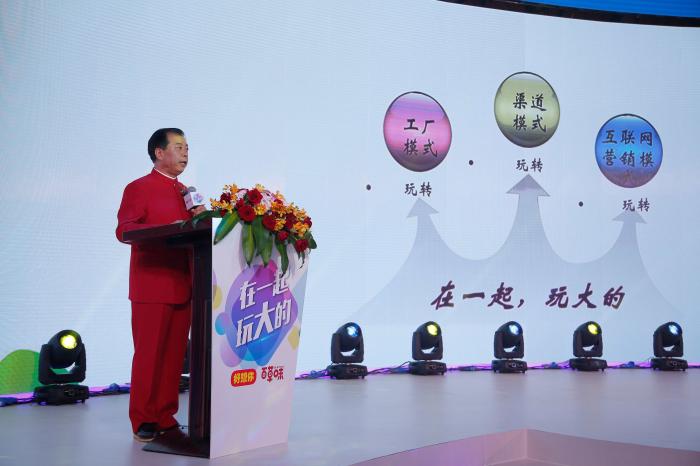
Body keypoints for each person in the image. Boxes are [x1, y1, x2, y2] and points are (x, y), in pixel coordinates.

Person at [116, 128, 205, 442]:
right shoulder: (139, 188)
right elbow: (124, 230)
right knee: (149, 355)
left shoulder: (186, 192)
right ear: (159, 152)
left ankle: (165, 416)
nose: (185, 153)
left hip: (184, 284)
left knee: (173, 358)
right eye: (179, 147)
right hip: (152, 285)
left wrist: (202, 219)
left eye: (187, 147)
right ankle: (143, 419)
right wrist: (166, 229)